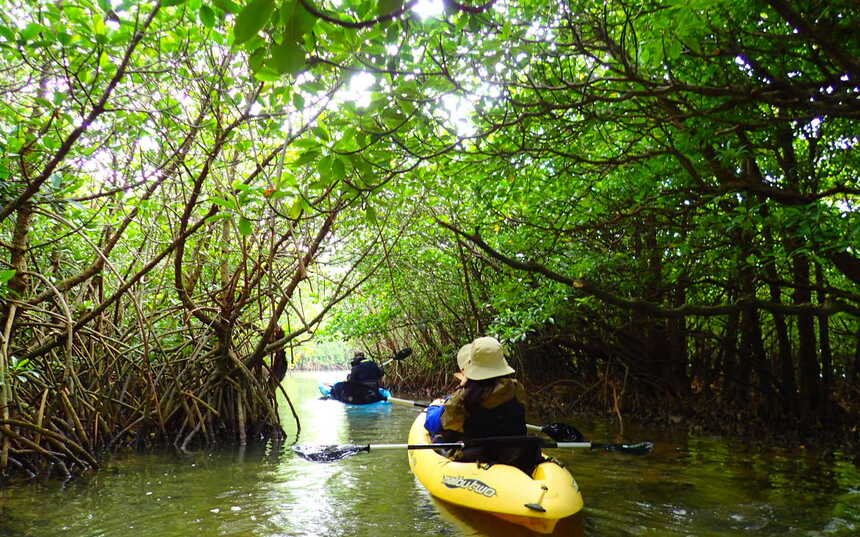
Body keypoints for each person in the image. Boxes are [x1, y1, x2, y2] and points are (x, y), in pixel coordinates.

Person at [424, 336, 542, 474]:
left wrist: (434, 408)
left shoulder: (465, 396)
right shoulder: (517, 389)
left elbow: (435, 424)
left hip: (478, 455)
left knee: (438, 438)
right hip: (515, 455)